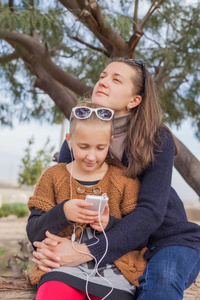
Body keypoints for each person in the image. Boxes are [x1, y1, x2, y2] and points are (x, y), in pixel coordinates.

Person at [32, 57, 200, 300]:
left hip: (167, 240)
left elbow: (150, 213)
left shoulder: (157, 137)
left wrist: (87, 250)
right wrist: (47, 248)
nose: (103, 82)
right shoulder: (81, 135)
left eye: (116, 79)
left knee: (160, 280)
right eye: (102, 76)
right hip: (116, 240)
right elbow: (62, 194)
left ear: (134, 100)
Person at [26, 100, 147, 300]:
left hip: (114, 272)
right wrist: (63, 212)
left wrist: (110, 224)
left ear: (110, 141)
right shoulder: (53, 177)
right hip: (61, 270)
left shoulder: (124, 180)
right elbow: (34, 233)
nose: (92, 156)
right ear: (69, 140)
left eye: (100, 147)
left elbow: (141, 236)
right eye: (83, 146)